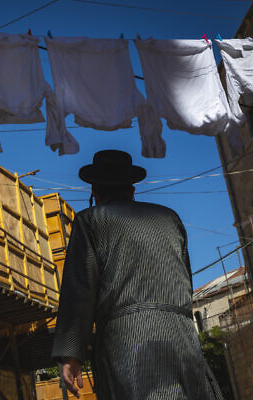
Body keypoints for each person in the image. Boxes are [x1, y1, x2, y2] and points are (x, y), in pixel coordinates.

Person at [51, 150, 223, 399]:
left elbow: (80, 290)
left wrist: (71, 354)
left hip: (129, 342)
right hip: (181, 336)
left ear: (95, 193)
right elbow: (185, 281)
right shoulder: (170, 218)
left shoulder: (90, 220)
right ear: (132, 190)